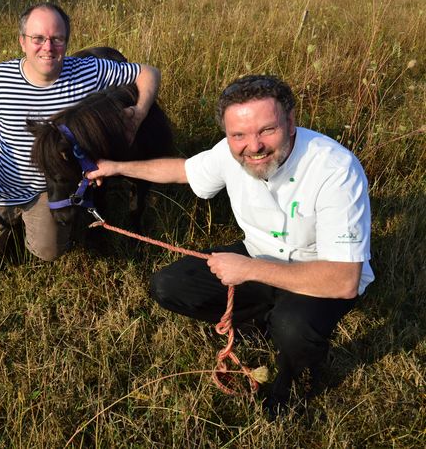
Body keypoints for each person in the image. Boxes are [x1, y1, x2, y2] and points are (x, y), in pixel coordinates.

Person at [86, 74, 374, 417]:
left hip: (316, 274)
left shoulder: (334, 169)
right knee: (168, 285)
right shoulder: (228, 153)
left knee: (293, 328)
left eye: (267, 130)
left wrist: (248, 270)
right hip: (256, 254)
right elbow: (183, 171)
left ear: (291, 121)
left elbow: (344, 280)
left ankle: (295, 379)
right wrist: (118, 167)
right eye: (238, 135)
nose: (253, 146)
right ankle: (260, 323)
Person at [0, 2, 160, 286]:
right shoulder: (0, 78)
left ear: (66, 41)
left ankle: (34, 228)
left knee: (47, 252)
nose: (47, 47)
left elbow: (148, 73)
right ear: (22, 42)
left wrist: (139, 114)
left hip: (50, 190)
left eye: (57, 39)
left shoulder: (89, 72)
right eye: (38, 38)